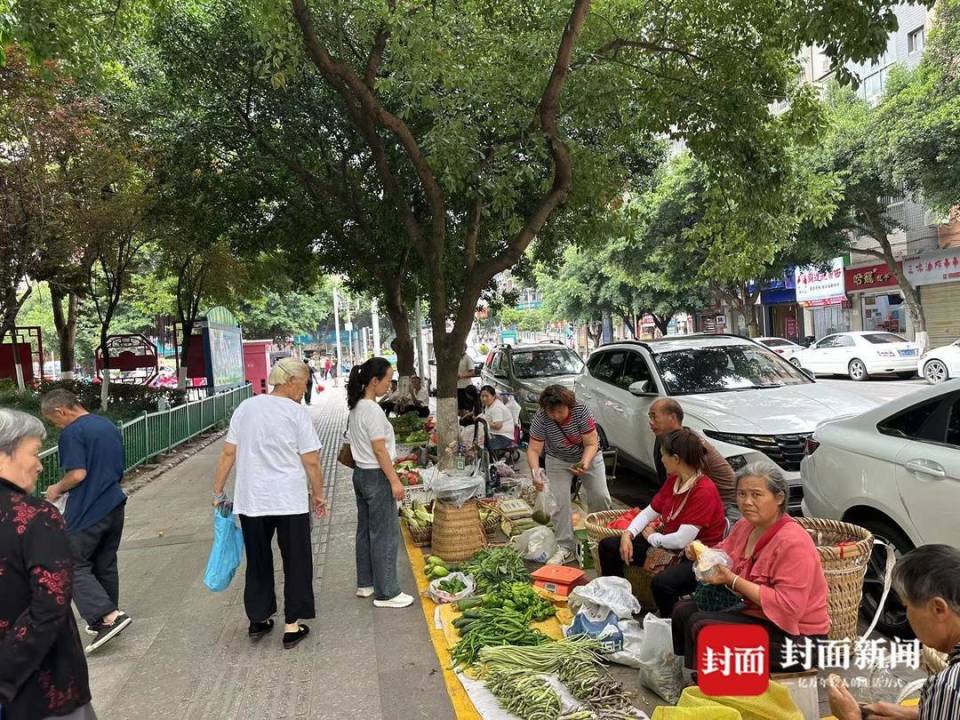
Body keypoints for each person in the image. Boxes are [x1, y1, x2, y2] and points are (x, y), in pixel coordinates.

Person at [212, 357, 327, 650]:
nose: (305, 389)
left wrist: (218, 491)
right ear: (290, 381)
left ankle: (259, 618)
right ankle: (292, 625)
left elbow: (228, 453)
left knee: (258, 560)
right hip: (288, 500)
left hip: (252, 500)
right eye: (304, 383)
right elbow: (311, 459)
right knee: (297, 560)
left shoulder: (246, 408)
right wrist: (318, 494)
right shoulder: (296, 413)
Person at [670, 462, 830, 672]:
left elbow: (788, 608)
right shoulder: (745, 526)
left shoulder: (793, 543)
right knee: (682, 610)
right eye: (742, 494)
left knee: (702, 625)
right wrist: (700, 553)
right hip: (760, 617)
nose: (747, 502)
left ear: (779, 498)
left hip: (799, 639)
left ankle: (712, 684)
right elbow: (722, 554)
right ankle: (693, 676)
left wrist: (733, 580)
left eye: (756, 495)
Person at [0, 409, 95, 720]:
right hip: (42, 690)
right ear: (3, 455)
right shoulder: (35, 517)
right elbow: (49, 606)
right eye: (35, 453)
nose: (40, 465)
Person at [598, 428, 727, 615]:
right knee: (609, 546)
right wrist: (628, 533)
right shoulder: (675, 480)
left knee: (663, 584)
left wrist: (653, 538)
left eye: (663, 455)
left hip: (697, 558)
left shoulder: (704, 490)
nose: (661, 460)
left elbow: (682, 540)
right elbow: (649, 512)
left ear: (676, 458)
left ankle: (673, 628)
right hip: (667, 545)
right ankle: (617, 604)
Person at [40, 389, 132, 653]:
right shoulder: (106, 425)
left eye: (52, 420)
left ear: (60, 411)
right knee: (104, 561)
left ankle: (108, 616)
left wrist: (56, 488)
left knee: (71, 562)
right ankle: (107, 615)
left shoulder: (72, 432)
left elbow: (78, 474)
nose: (56, 425)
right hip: (114, 502)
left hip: (87, 507)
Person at [829, 545, 960, 720]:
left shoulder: (949, 686)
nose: (907, 616)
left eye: (907, 606)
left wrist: (851, 716)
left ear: (938, 609)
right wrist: (918, 714)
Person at [347, 357, 414, 609]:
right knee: (385, 534)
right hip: (376, 475)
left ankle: (366, 583)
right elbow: (379, 449)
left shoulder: (355, 407)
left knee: (365, 530)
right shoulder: (372, 410)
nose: (390, 384)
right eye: (388, 379)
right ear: (374, 381)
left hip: (361, 475)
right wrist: (394, 480)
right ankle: (387, 592)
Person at [527, 385, 612, 566]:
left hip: (588, 456)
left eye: (560, 411)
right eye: (552, 412)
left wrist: (584, 463)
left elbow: (591, 443)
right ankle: (565, 546)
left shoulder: (581, 410)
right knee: (558, 502)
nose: (555, 416)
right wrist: (536, 473)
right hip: (557, 459)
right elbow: (534, 449)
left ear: (569, 405)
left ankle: (597, 539)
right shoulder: (541, 417)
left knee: (601, 496)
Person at [648, 398, 738, 521]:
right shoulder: (664, 439)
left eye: (654, 417)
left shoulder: (689, 445)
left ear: (672, 417)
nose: (651, 422)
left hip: (728, 507)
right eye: (650, 417)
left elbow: (684, 492)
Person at [480, 385, 516, 452]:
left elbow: (498, 426)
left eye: (487, 396)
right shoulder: (489, 404)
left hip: (504, 437)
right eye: (482, 396)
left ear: (493, 396)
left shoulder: (496, 408)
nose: (484, 399)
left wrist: (485, 422)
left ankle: (487, 460)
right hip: (496, 434)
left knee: (482, 445)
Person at [456, 345, 476, 410]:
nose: (460, 349)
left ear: (465, 348)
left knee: (466, 408)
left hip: (465, 387)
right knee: (459, 407)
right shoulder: (456, 358)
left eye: (462, 347)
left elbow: (472, 372)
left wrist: (461, 375)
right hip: (457, 387)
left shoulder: (468, 358)